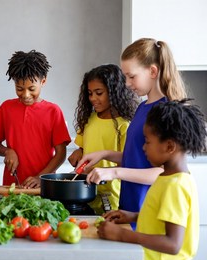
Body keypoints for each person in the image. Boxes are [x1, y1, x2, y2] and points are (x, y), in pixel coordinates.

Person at [77, 38, 187, 223]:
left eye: (131, 76)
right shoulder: (142, 107)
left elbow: (164, 172)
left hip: (149, 209)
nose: (127, 83)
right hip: (129, 207)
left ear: (152, 71)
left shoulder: (167, 112)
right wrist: (105, 154)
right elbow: (137, 158)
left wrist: (113, 172)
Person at [98, 99, 206, 260]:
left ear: (169, 146)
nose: (143, 148)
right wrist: (133, 216)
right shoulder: (168, 178)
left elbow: (173, 243)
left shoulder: (175, 186)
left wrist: (122, 235)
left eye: (147, 141)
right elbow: (165, 220)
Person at [0, 50, 71, 188]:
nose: (26, 94)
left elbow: (61, 153)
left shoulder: (53, 111)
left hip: (44, 186)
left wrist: (41, 177)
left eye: (31, 88)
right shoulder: (6, 108)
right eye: (20, 88)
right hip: (12, 186)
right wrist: (7, 151)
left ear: (43, 81)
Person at [68, 64, 139, 214]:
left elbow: (128, 162)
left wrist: (102, 171)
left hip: (111, 195)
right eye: (90, 93)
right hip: (86, 192)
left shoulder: (124, 125)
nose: (93, 98)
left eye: (99, 93)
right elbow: (84, 146)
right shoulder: (89, 119)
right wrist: (78, 151)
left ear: (114, 92)